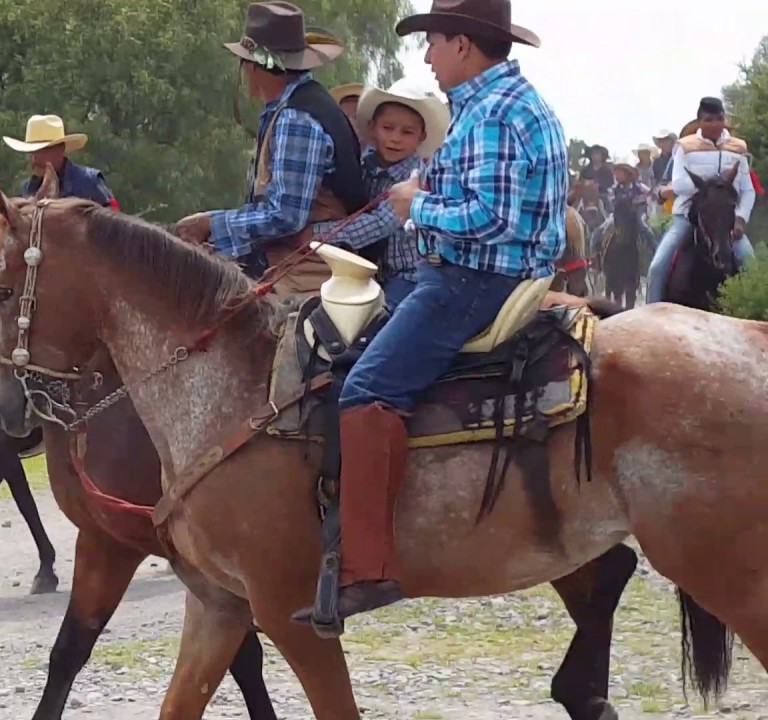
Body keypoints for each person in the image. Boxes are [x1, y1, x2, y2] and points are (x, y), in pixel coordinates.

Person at [300, 0, 566, 629]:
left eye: (433, 43)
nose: (427, 55)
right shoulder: (494, 106)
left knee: (366, 389)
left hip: (474, 279)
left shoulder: (496, 114)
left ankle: (368, 567)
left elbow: (491, 219)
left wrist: (416, 207)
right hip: (468, 272)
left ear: (464, 47)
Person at [173, 1, 367, 296]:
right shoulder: (297, 107)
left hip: (306, 273)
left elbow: (286, 216)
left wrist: (211, 224)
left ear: (254, 66)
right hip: (292, 265)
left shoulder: (296, 118)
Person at [326, 80, 450, 309]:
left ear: (421, 137)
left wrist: (316, 237)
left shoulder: (416, 180)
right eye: (388, 128)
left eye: (407, 132)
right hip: (370, 274)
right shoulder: (362, 168)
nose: (395, 138)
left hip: (408, 276)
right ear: (372, 127)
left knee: (376, 324)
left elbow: (378, 224)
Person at [645, 97, 756, 304]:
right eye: (709, 119)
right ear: (700, 122)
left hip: (727, 219)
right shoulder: (685, 147)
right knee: (657, 267)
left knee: (750, 264)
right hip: (688, 217)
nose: (714, 124)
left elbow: (748, 190)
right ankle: (649, 318)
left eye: (719, 118)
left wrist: (740, 219)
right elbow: (678, 183)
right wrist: (711, 186)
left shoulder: (738, 148)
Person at [3, 114, 119, 209]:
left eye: (43, 150)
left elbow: (114, 224)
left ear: (61, 149)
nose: (35, 158)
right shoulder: (28, 189)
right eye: (32, 151)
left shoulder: (89, 181)